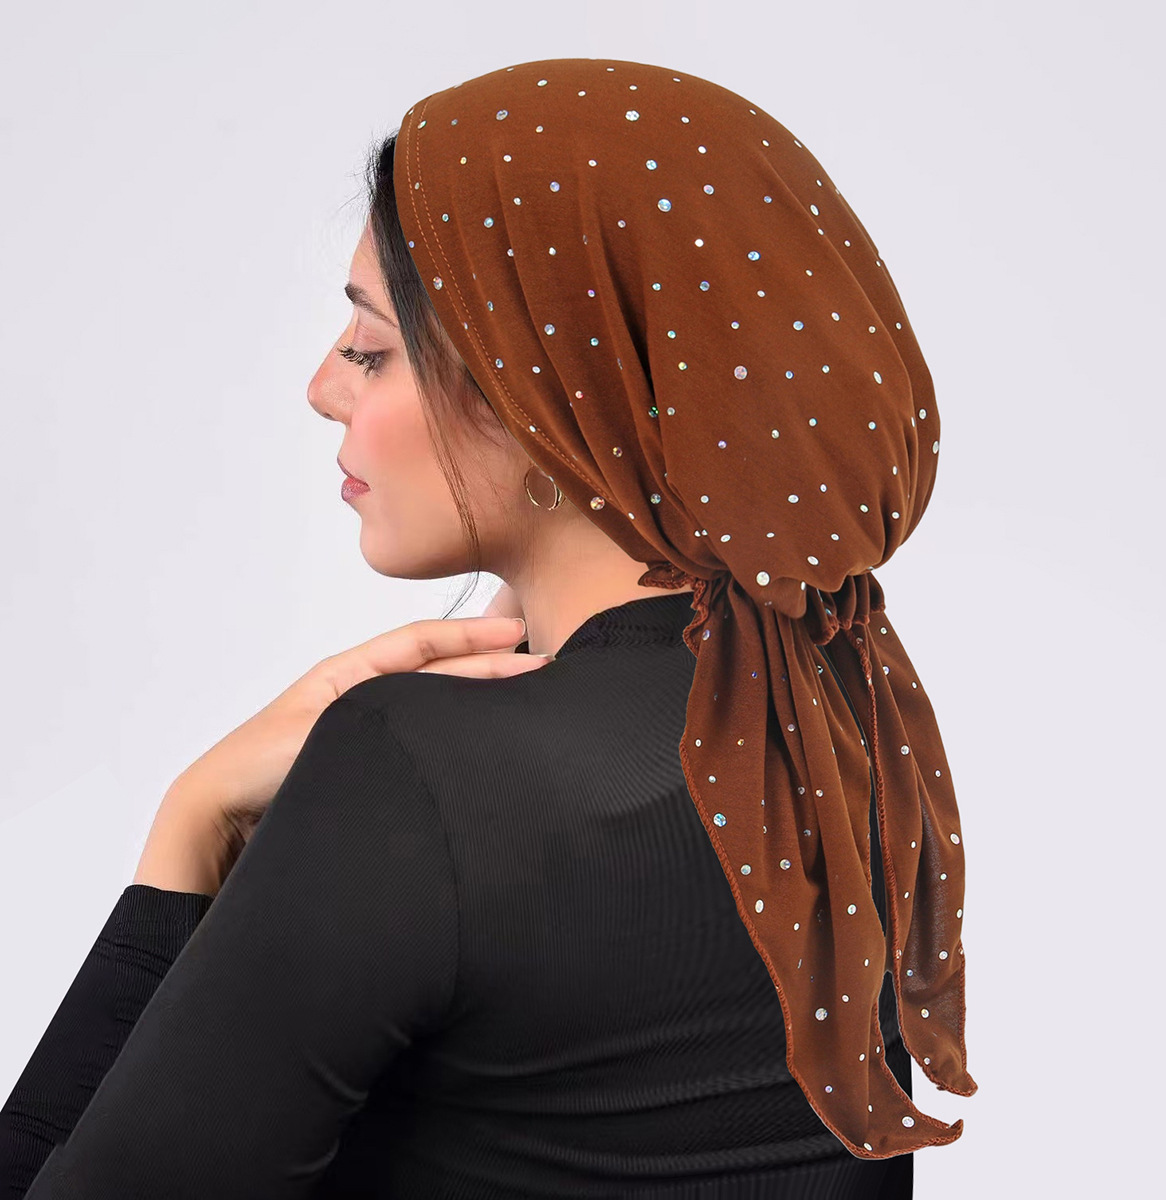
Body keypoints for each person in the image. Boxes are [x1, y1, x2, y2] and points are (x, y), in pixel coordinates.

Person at [0, 56, 979, 1197]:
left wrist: (190, 825)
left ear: (543, 397)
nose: (323, 387)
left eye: (371, 348)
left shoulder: (417, 770)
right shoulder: (839, 719)